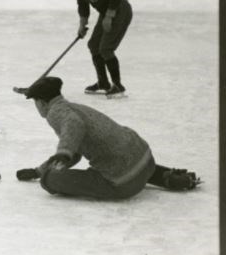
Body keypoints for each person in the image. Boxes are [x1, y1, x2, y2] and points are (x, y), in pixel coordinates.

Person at [14, 76, 200, 200]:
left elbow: (73, 125)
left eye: (35, 102)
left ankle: (138, 178)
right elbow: (75, 150)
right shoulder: (74, 107)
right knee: (124, 160)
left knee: (51, 179)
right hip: (146, 160)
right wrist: (38, 170)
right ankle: (167, 176)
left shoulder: (55, 112)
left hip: (121, 183)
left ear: (41, 102)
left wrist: (59, 158)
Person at [64, 0, 133, 98]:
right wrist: (82, 25)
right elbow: (83, 6)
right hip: (105, 12)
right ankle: (103, 83)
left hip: (120, 9)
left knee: (106, 48)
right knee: (94, 45)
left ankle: (118, 86)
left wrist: (109, 17)